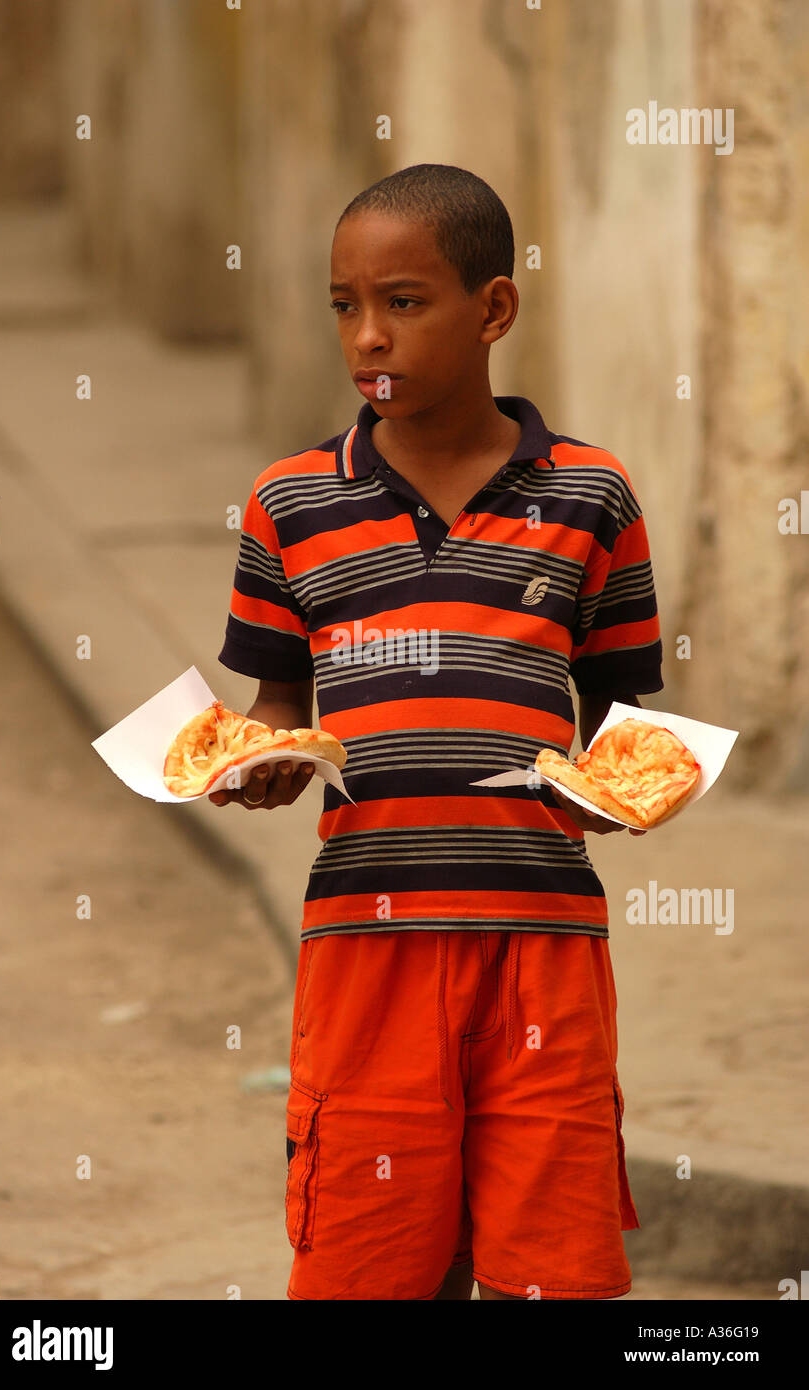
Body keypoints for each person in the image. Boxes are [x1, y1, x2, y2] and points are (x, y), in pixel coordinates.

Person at [210, 164, 663, 1301]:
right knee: (370, 1260)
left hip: (541, 945)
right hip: (366, 946)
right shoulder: (290, 504)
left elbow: (620, 720)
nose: (369, 337)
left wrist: (616, 787)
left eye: (404, 302)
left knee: (550, 1262)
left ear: (494, 310)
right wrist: (259, 765)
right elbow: (275, 712)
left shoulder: (592, 497)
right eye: (344, 307)